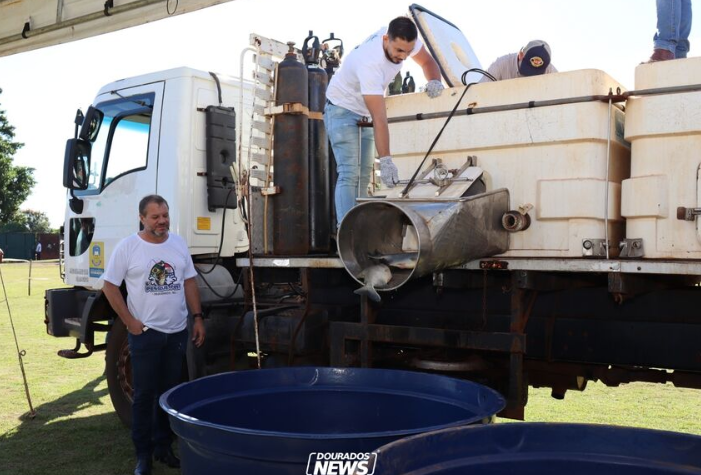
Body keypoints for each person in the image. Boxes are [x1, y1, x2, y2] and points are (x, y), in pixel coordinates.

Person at [102, 194, 205, 475]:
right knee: (145, 395)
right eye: (155, 217)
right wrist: (130, 323)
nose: (162, 221)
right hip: (145, 334)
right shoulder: (129, 247)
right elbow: (109, 287)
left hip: (175, 334)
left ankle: (163, 447)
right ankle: (143, 456)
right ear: (142, 218)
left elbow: (189, 281)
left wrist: (197, 318)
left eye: (165, 215)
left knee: (168, 394)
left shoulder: (178, 243)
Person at [324, 16, 444, 226]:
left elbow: (427, 61)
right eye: (399, 51)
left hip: (364, 109)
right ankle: (346, 232)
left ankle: (358, 229)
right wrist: (387, 161)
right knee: (349, 172)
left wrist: (434, 80)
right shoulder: (370, 63)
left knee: (363, 175)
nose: (404, 57)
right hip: (341, 108)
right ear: (386, 39)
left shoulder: (404, 41)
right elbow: (380, 118)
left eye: (408, 51)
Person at [480, 40, 557, 82]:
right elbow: (479, 92)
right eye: (528, 69)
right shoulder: (500, 65)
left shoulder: (550, 71)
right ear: (520, 55)